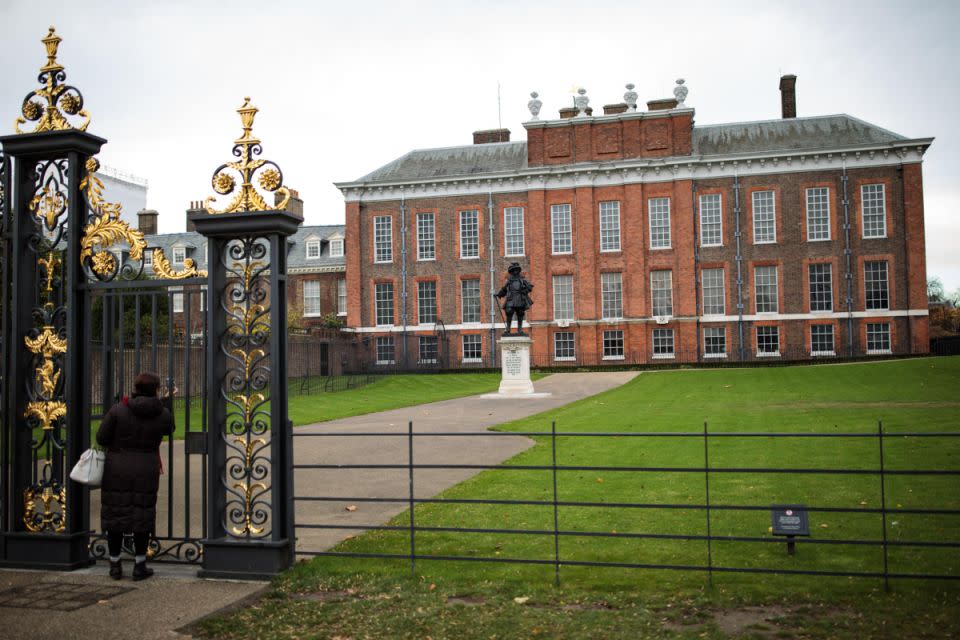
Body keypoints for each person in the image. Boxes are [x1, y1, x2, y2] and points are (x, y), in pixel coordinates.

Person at [96, 372, 175, 580]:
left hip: (117, 468)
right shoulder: (162, 413)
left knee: (115, 515)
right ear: (156, 389)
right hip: (146, 468)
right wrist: (166, 403)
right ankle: (140, 565)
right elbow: (169, 428)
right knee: (142, 515)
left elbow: (102, 437)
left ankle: (115, 564)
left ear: (136, 388)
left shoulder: (119, 409)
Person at [496, 262, 534, 336]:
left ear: (518, 271)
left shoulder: (522, 280)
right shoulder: (509, 281)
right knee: (509, 312)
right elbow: (504, 289)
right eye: (513, 270)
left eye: (516, 270)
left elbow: (530, 287)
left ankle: (520, 329)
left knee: (520, 313)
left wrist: (525, 291)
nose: (515, 272)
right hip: (511, 298)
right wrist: (498, 294)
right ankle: (508, 329)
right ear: (511, 272)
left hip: (520, 298)